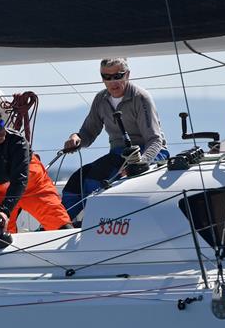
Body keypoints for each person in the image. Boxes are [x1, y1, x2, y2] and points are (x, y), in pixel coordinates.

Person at [61, 58, 169, 219]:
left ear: (127, 75)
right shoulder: (101, 99)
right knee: (77, 180)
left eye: (118, 76)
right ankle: (59, 224)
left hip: (151, 152)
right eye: (107, 77)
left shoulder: (141, 97)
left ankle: (96, 223)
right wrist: (76, 138)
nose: (113, 82)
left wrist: (141, 163)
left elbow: (155, 140)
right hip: (119, 154)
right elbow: (88, 134)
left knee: (97, 180)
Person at [0, 108, 71, 235]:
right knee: (1, 228)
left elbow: (19, 179)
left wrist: (5, 210)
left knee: (60, 223)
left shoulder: (18, 141)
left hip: (33, 186)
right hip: (0, 192)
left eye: (1, 124)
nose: (1, 130)